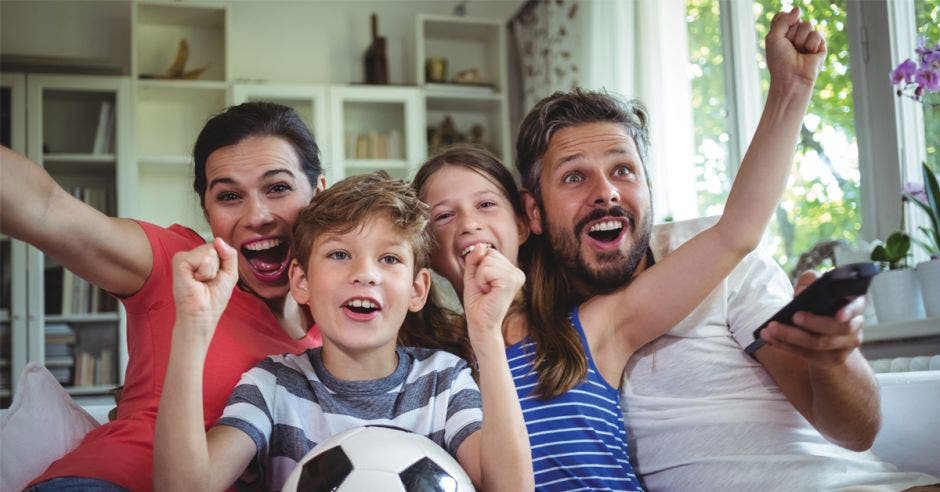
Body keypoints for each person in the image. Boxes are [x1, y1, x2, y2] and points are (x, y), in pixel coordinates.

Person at [510, 16, 940, 492]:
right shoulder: (535, 324)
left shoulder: (716, 260)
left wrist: (833, 357)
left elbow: (857, 432)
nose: (607, 192)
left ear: (649, 189)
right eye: (574, 177)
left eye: (624, 171)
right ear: (532, 211)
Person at [414, 8, 822, 490]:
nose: (469, 224)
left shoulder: (590, 327)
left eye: (486, 204)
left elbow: (738, 231)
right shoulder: (425, 363)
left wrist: (789, 92)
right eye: (443, 215)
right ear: (423, 252)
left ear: (525, 223)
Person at [0, 101, 325, 491]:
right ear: (207, 212)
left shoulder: (337, 323)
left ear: (319, 192)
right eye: (228, 196)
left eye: (278, 188)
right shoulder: (176, 264)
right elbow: (43, 206)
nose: (257, 215)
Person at [153, 171, 533, 491]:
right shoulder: (273, 386)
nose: (365, 274)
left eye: (389, 258)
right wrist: (193, 325)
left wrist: (487, 336)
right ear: (301, 281)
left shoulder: (444, 381)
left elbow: (510, 488)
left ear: (417, 290)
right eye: (339, 254)